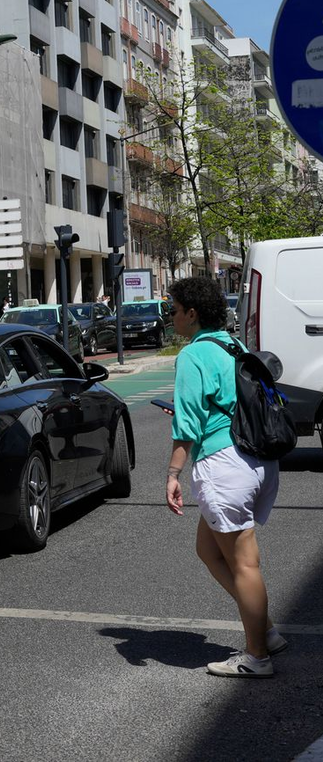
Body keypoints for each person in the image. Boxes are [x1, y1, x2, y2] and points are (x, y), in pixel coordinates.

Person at [164, 275, 284, 678]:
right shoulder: (233, 344)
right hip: (257, 459)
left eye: (175, 310)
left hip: (224, 464)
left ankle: (257, 656)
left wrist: (173, 474)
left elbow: (188, 424)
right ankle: (264, 631)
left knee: (245, 564)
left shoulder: (192, 356)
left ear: (192, 313)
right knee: (209, 549)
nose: (171, 317)